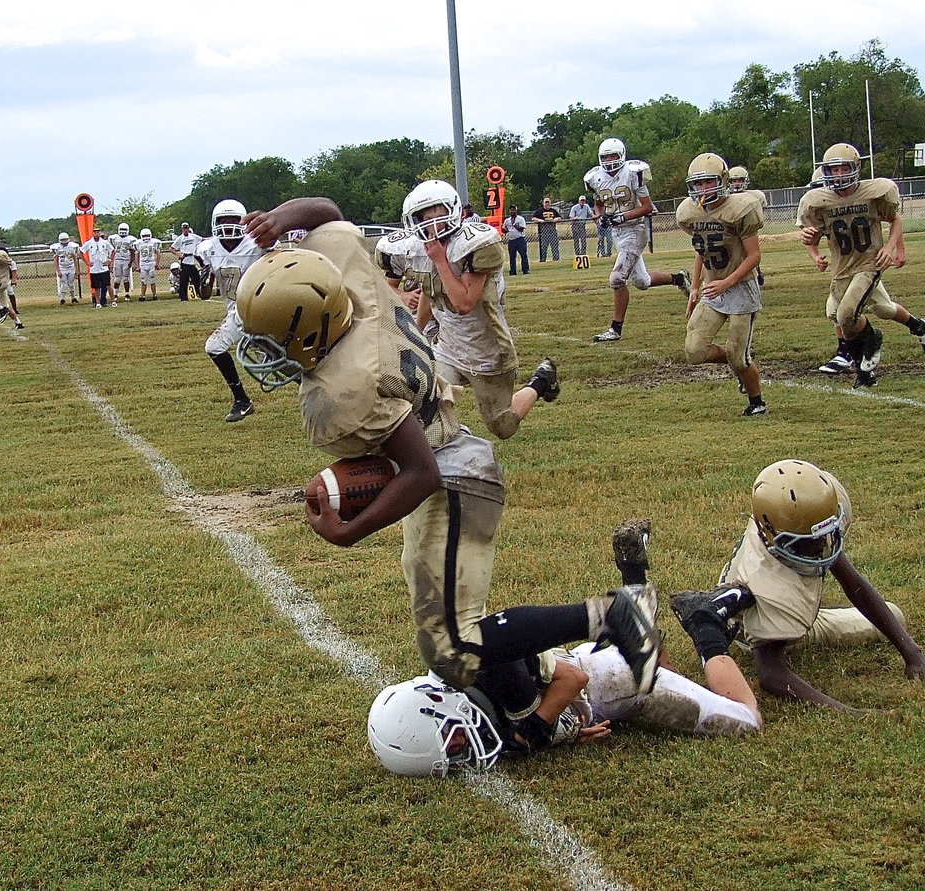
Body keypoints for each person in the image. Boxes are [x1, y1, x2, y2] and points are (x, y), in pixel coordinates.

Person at [235, 197, 661, 749]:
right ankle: (534, 698)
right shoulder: (353, 290)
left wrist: (347, 531)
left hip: (455, 474)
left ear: (311, 331)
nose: (262, 353)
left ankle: (614, 614)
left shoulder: (348, 389)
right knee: (453, 633)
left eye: (273, 341)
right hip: (445, 451)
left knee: (452, 647)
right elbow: (328, 212)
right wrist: (284, 219)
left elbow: (417, 475)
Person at [366, 520, 761, 777]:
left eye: (449, 740)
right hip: (596, 677)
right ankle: (634, 579)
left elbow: (573, 678)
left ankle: (707, 624)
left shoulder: (492, 671)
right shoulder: (474, 689)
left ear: (438, 704)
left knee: (745, 721)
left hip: (607, 683)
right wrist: (563, 730)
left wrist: (538, 728)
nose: (459, 750)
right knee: (656, 663)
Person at [717, 459, 925, 712]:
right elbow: (772, 675)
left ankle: (815, 613)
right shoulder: (768, 583)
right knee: (792, 619)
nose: (820, 544)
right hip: (752, 629)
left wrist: (913, 654)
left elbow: (854, 583)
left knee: (893, 615)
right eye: (808, 540)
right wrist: (853, 713)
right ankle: (804, 620)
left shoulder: (789, 519)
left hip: (773, 597)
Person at [374, 180, 559, 440]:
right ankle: (446, 440)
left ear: (453, 212)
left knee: (502, 426)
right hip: (448, 347)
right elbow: (424, 289)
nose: (431, 223)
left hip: (488, 349)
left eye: (438, 215)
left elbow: (464, 303)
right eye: (424, 216)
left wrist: (439, 259)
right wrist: (416, 323)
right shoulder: (411, 248)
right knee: (426, 401)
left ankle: (541, 381)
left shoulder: (473, 244)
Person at [798, 143, 925, 386]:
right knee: (859, 314)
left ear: (855, 168)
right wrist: (812, 246)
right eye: (833, 170)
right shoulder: (817, 200)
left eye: (844, 169)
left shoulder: (874, 192)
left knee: (844, 314)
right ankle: (868, 367)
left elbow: (894, 218)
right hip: (841, 267)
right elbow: (815, 233)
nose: (839, 176)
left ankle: (867, 348)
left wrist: (892, 248)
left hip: (868, 263)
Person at [676, 153, 768, 417]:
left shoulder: (740, 209)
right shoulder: (689, 212)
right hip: (712, 288)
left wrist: (726, 282)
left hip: (740, 288)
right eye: (699, 183)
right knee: (695, 351)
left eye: (709, 182)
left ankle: (756, 401)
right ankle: (737, 365)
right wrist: (694, 287)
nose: (704, 189)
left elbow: (754, 256)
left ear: (723, 180)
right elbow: (701, 250)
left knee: (739, 358)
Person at [585, 137, 691, 342]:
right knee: (642, 282)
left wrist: (622, 216)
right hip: (618, 233)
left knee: (616, 279)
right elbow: (598, 204)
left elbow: (647, 206)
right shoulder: (595, 178)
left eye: (613, 155)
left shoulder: (633, 173)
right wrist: (599, 216)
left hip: (635, 229)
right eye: (605, 157)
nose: (609, 160)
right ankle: (678, 277)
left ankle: (615, 329)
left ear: (621, 155)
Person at [200, 199, 265, 422]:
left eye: (233, 220)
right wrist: (204, 278)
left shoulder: (257, 244)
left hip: (259, 306)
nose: (228, 225)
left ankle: (242, 401)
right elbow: (205, 295)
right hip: (235, 310)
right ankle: (242, 401)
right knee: (276, 361)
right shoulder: (208, 249)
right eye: (223, 220)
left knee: (277, 361)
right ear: (214, 223)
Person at [80, 225, 114, 308]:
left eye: (98, 232)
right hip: (94, 269)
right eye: (95, 232)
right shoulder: (89, 243)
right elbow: (81, 252)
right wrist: (87, 262)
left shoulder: (105, 242)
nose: (97, 234)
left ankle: (113, 301)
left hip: (104, 268)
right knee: (96, 287)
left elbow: (113, 251)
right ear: (93, 233)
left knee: (108, 285)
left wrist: (110, 261)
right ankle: (98, 303)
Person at [171, 222, 204, 301]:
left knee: (196, 278)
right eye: (184, 228)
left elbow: (202, 239)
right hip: (185, 261)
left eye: (186, 228)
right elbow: (171, 248)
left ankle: (198, 293)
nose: (185, 230)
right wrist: (178, 254)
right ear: (182, 229)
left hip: (192, 260)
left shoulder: (193, 236)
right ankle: (183, 297)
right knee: (184, 280)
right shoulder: (180, 238)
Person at [50, 232, 81, 305]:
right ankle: (62, 299)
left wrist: (77, 270)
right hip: (62, 267)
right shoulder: (57, 247)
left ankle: (73, 298)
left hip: (71, 267)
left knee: (71, 283)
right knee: (63, 283)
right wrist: (58, 270)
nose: (64, 242)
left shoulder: (73, 246)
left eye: (65, 240)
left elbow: (75, 258)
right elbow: (56, 259)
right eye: (63, 240)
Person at [110, 222, 138, 301]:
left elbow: (132, 251)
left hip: (126, 260)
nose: (122, 231)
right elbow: (112, 250)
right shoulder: (114, 238)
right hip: (117, 259)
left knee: (126, 278)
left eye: (124, 230)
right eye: (121, 229)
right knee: (117, 278)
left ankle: (127, 294)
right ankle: (115, 294)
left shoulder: (131, 239)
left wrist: (131, 261)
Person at [501, 205, 528, 275]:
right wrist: (502, 228)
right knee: (512, 257)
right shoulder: (507, 220)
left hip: (520, 239)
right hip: (512, 240)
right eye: (511, 210)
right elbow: (505, 230)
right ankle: (513, 271)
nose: (512, 211)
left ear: (516, 210)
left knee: (523, 255)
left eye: (513, 210)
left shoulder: (520, 219)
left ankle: (525, 270)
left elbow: (521, 229)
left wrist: (515, 225)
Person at [532, 197, 562, 262]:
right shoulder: (539, 211)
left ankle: (556, 259)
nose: (547, 204)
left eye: (548, 202)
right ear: (543, 203)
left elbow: (559, 217)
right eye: (546, 202)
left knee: (555, 246)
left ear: (550, 203)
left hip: (552, 231)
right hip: (543, 232)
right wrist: (540, 220)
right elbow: (533, 218)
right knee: (543, 247)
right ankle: (543, 259)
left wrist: (557, 219)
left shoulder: (554, 211)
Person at [135, 228, 161, 301]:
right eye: (144, 235)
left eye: (147, 235)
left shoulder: (154, 242)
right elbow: (137, 255)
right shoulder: (138, 243)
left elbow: (158, 254)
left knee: (152, 280)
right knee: (143, 280)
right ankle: (142, 295)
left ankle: (154, 295)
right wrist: (137, 266)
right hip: (143, 263)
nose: (146, 237)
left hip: (151, 262)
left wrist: (157, 263)